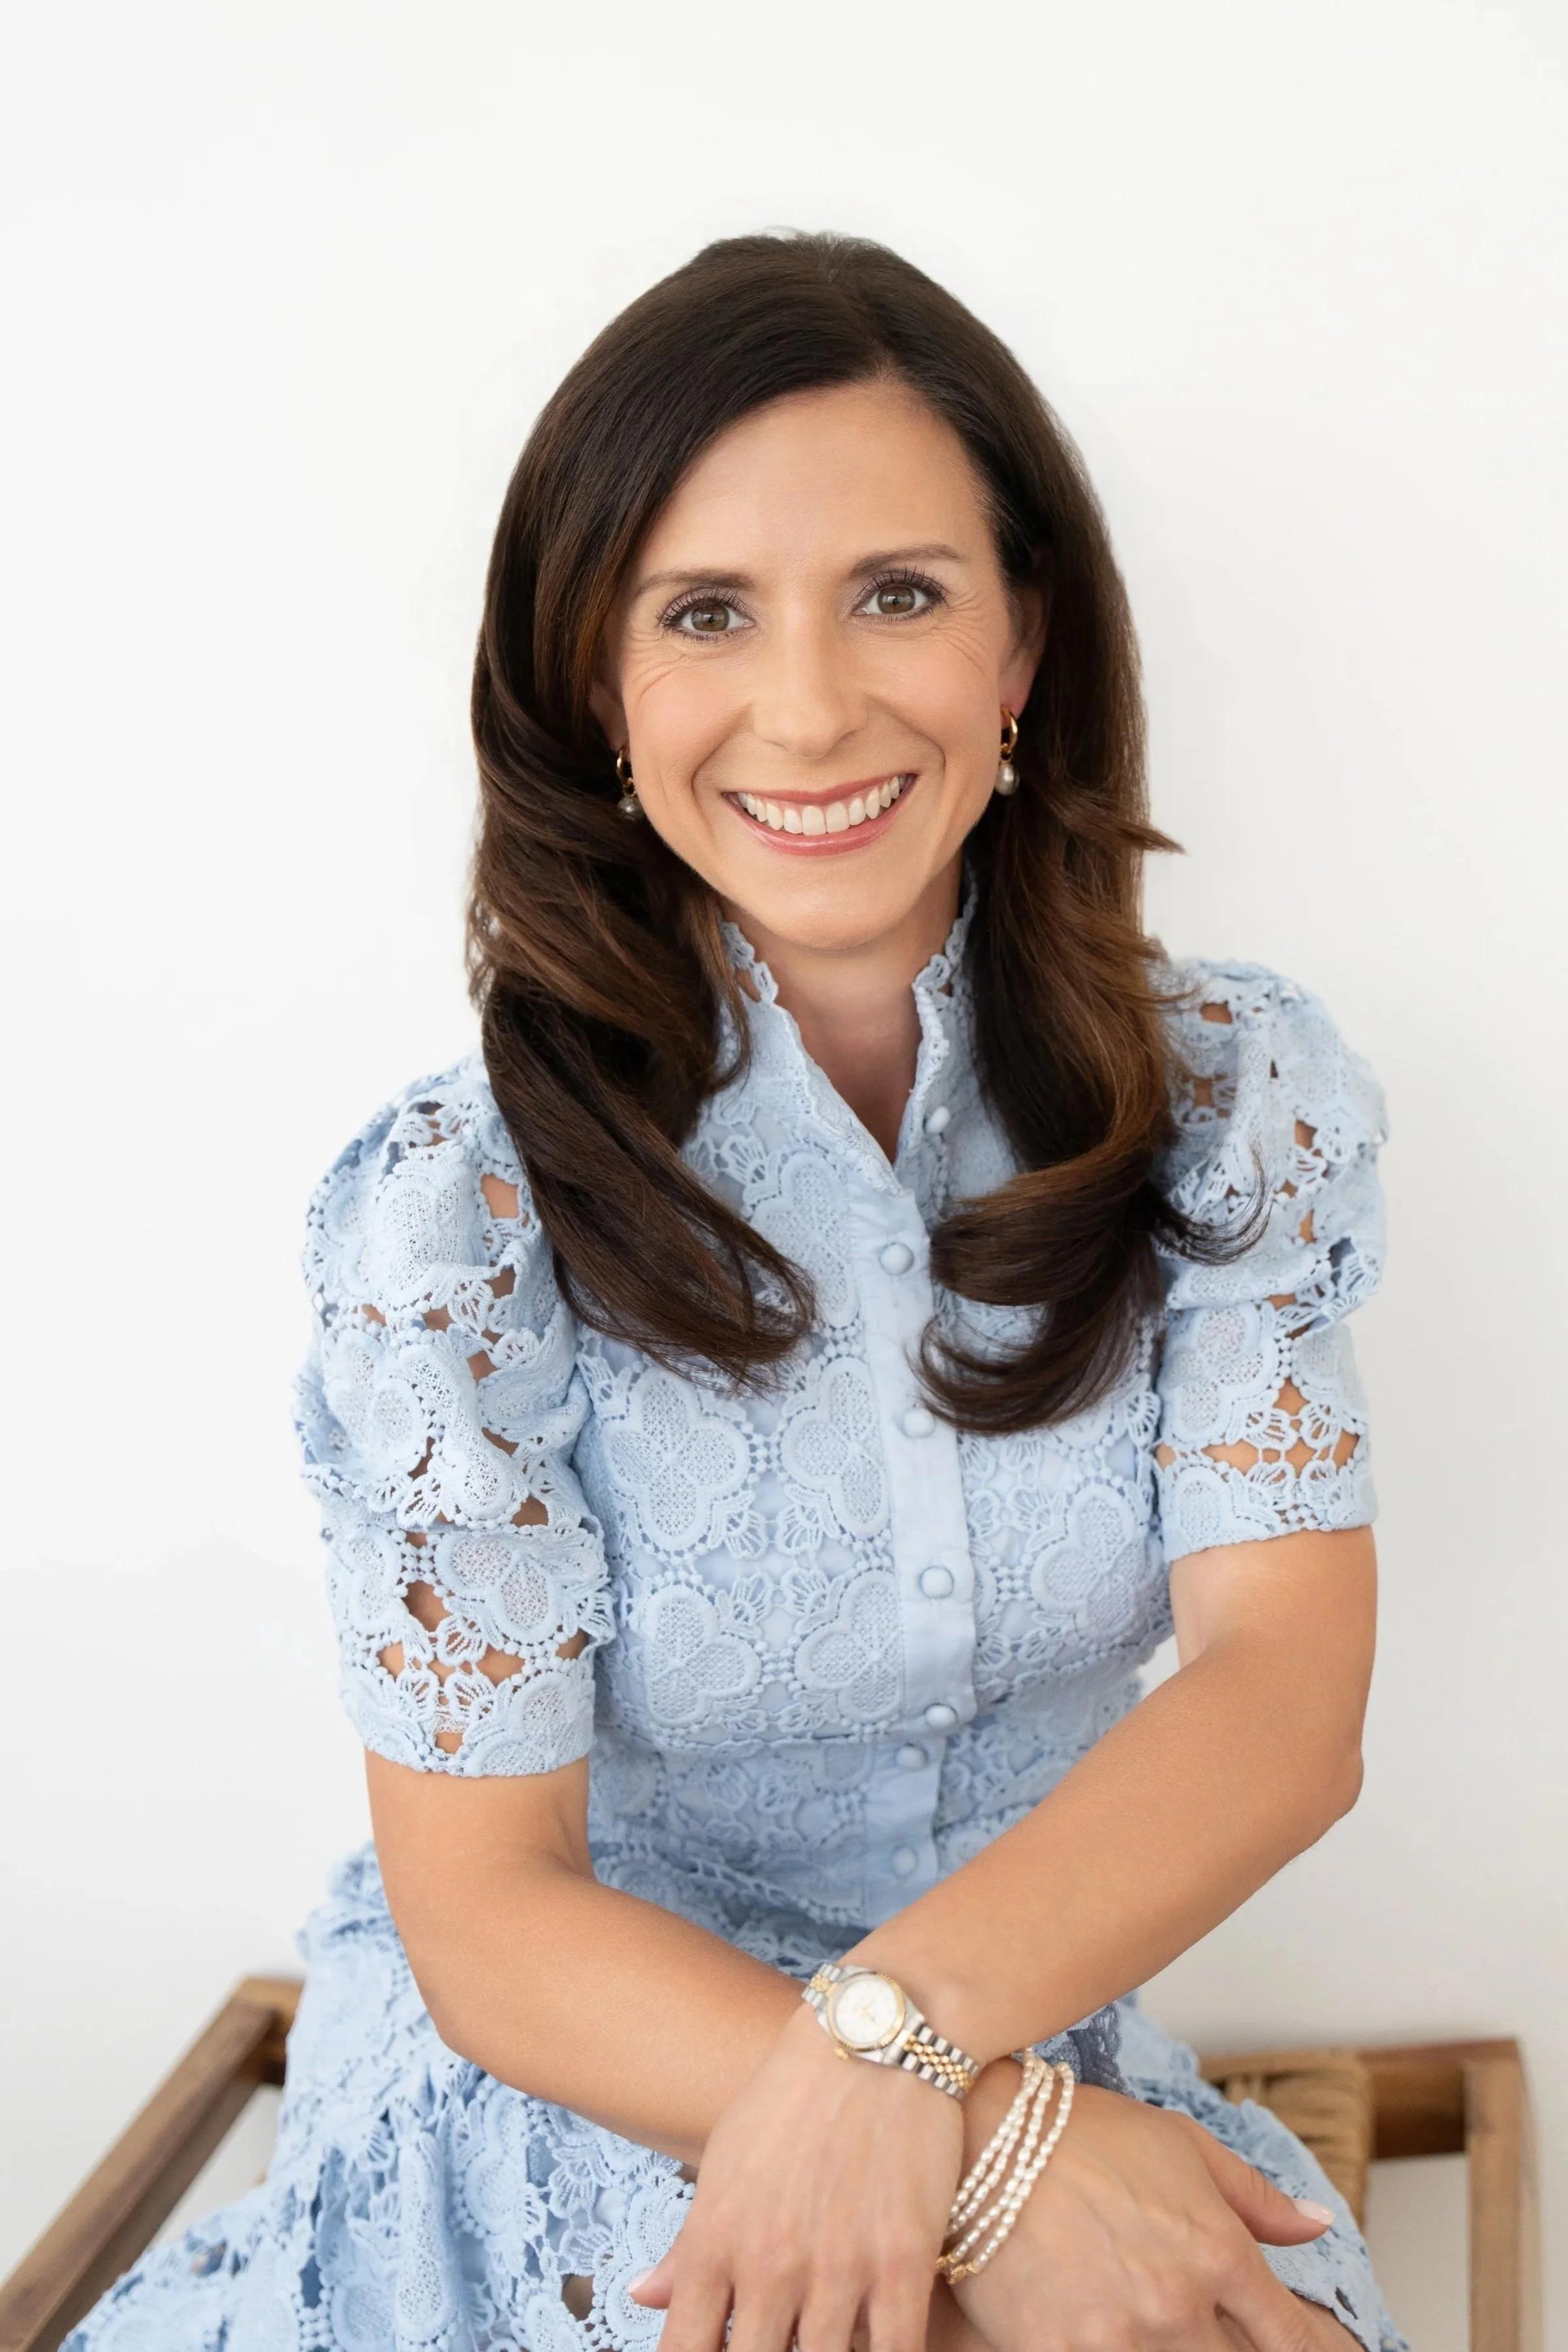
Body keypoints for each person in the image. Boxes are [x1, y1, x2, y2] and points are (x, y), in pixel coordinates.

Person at [70, 232, 1403, 2352]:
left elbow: (1282, 1698)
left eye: (897, 591)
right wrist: (974, 2152)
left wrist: (926, 2063)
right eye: (703, 613)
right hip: (574, 2054)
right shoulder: (459, 1211)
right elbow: (491, 1909)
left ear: (1020, 641)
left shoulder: (1232, 1105)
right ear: (596, 684)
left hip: (1022, 2023)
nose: (807, 704)